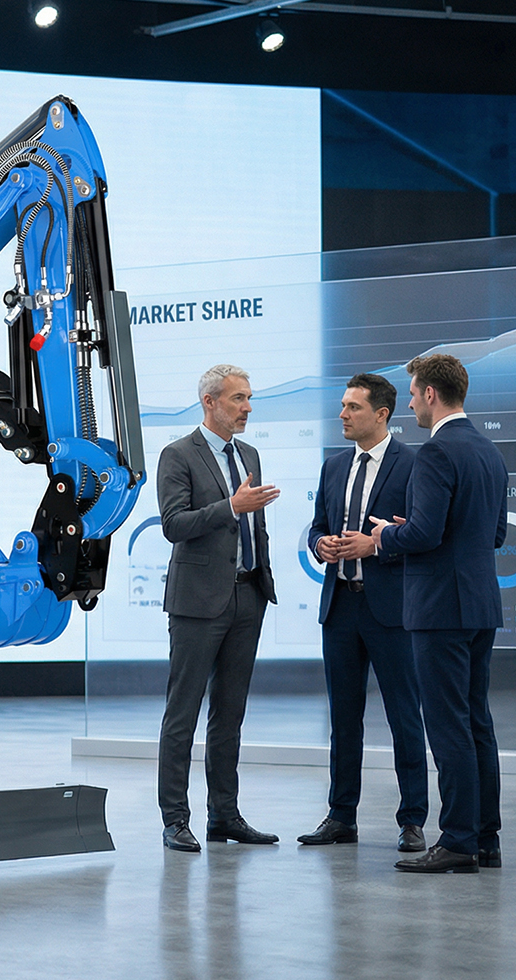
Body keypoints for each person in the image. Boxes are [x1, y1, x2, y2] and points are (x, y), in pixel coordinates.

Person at [370, 353, 508, 874]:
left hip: (439, 608)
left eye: (412, 394)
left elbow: (424, 534)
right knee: (476, 722)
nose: (409, 404)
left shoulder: (434, 452)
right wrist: (416, 530)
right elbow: (494, 534)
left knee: (448, 726)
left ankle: (456, 841)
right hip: (479, 604)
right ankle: (485, 838)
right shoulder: (489, 452)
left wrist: (387, 535)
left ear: (430, 393)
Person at [297, 373, 428, 853]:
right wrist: (322, 545)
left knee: (403, 716)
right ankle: (340, 816)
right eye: (343, 405)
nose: (343, 414)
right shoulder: (334, 466)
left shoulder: (413, 465)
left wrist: (375, 546)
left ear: (382, 414)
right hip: (340, 606)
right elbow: (317, 527)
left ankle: (412, 819)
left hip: (391, 610)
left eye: (353, 407)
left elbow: (422, 535)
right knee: (343, 717)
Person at [156, 364, 281, 852]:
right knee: (183, 713)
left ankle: (224, 815)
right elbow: (174, 524)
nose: (247, 408)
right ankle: (175, 819)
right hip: (197, 602)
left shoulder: (248, 453)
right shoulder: (178, 454)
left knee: (230, 715)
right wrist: (231, 506)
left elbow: (253, 526)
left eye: (248, 398)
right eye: (238, 399)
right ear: (209, 402)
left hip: (248, 596)